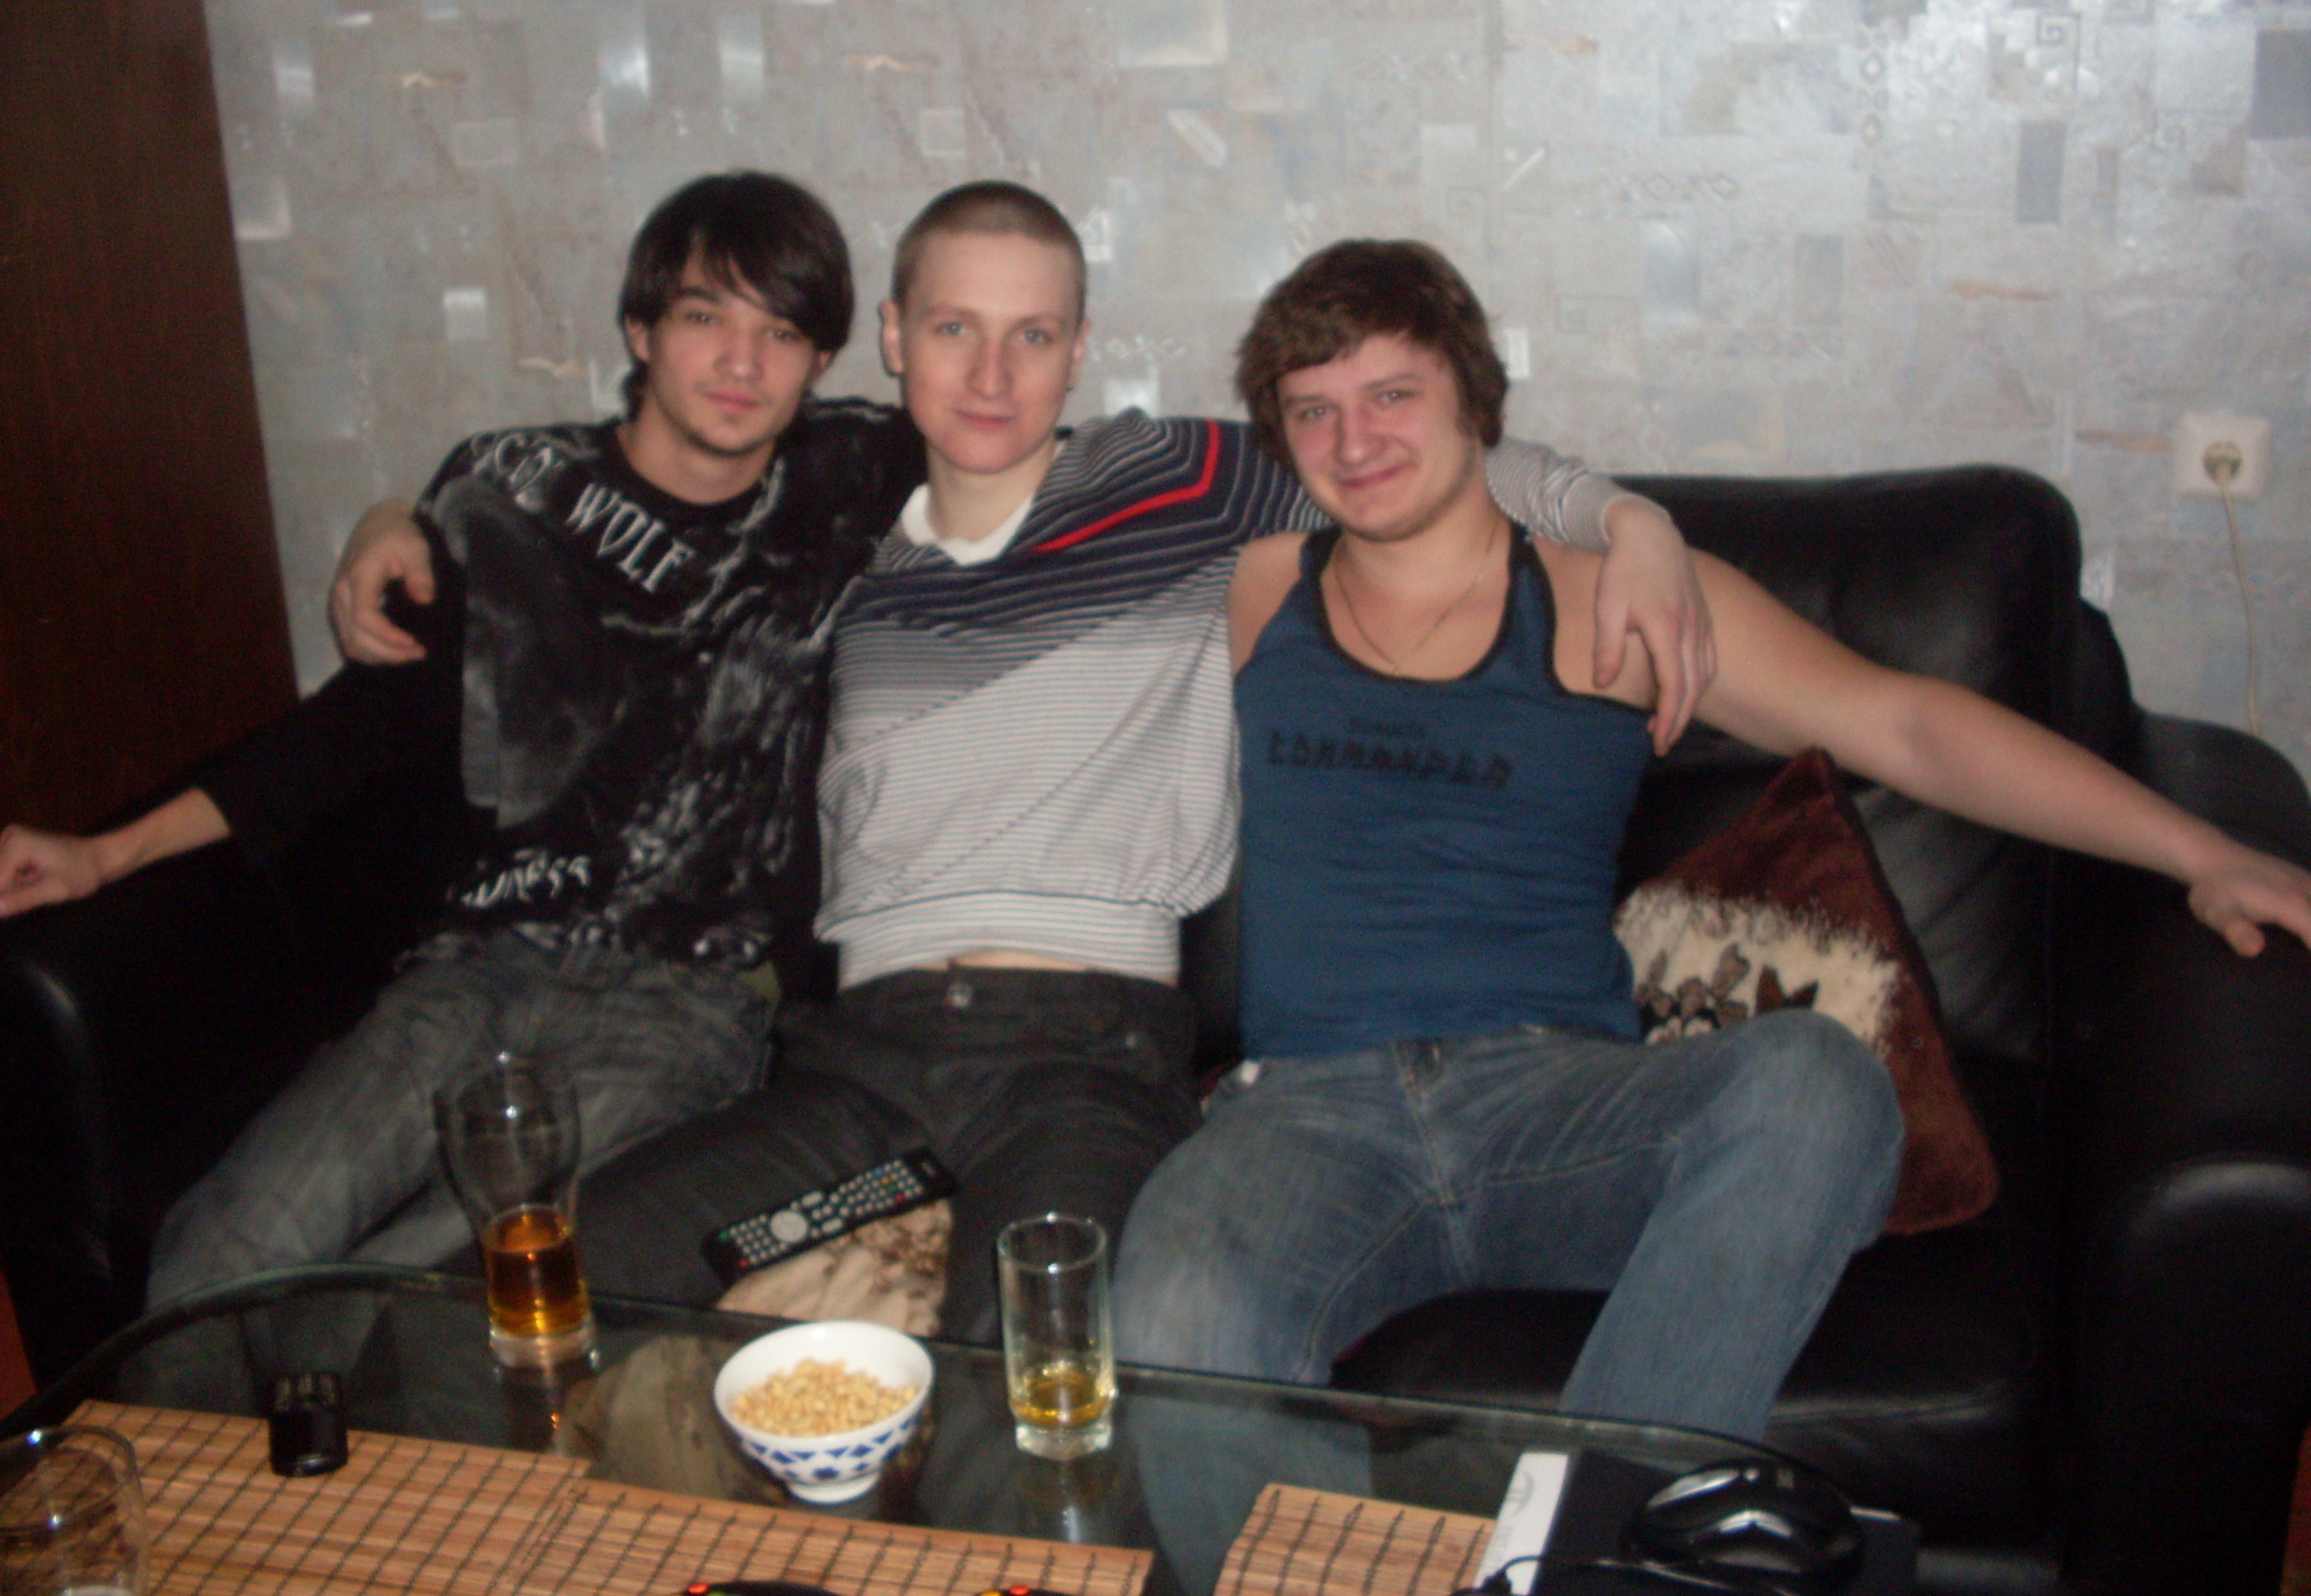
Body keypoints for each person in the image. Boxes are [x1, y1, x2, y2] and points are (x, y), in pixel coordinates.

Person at [330, 181, 1719, 1343]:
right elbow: (599, 493)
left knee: (1030, 1383)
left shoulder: (1173, 486)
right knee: (516, 1307)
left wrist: (1625, 517)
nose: (991, 376)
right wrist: (409, 514)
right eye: (954, 330)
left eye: (1032, 336)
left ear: (1076, 351)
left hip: (1084, 1060)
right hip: (858, 1079)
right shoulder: (828, 525)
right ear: (893, 339)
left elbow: (1406, 461)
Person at [1111, 237, 2311, 1448]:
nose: (1353, 441)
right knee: (1170, 1303)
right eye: (1313, 411)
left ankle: (1585, 1521)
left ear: (1473, 398)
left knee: (1817, 1083)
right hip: (1307, 1113)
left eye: (1391, 395)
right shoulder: (1255, 587)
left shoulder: (1620, 602)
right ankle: (1327, 1553)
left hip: (1558, 1109)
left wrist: (2201, 853)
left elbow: (1908, 727)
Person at [0, 172, 923, 1303]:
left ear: (822, 360)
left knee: (435, 1284)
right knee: (227, 1250)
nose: (742, 363)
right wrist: (103, 854)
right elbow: (352, 732)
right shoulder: (507, 486)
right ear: (640, 329)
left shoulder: (857, 476)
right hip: (473, 968)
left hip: (691, 999)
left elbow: (1033, 436)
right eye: (704, 316)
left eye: (780, 333)